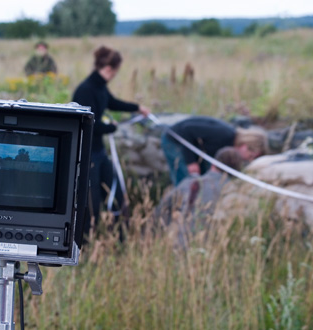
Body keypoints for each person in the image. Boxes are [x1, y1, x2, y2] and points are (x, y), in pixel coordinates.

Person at [72, 45, 151, 234]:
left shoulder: (99, 86)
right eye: (116, 71)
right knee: (92, 201)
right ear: (109, 69)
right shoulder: (86, 90)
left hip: (99, 152)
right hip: (87, 155)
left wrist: (136, 107)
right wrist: (112, 127)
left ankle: (116, 234)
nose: (115, 74)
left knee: (113, 190)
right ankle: (86, 243)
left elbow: (112, 102)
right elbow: (89, 124)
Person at [154, 147, 243, 246]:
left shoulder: (190, 182)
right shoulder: (235, 191)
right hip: (216, 247)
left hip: (181, 242)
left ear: (213, 164)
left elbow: (163, 207)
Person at [161, 116, 268, 186]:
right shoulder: (224, 135)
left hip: (191, 145)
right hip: (175, 140)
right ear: (245, 145)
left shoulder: (228, 142)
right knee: (185, 180)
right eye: (250, 156)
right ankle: (179, 207)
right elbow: (186, 129)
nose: (247, 160)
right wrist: (191, 162)